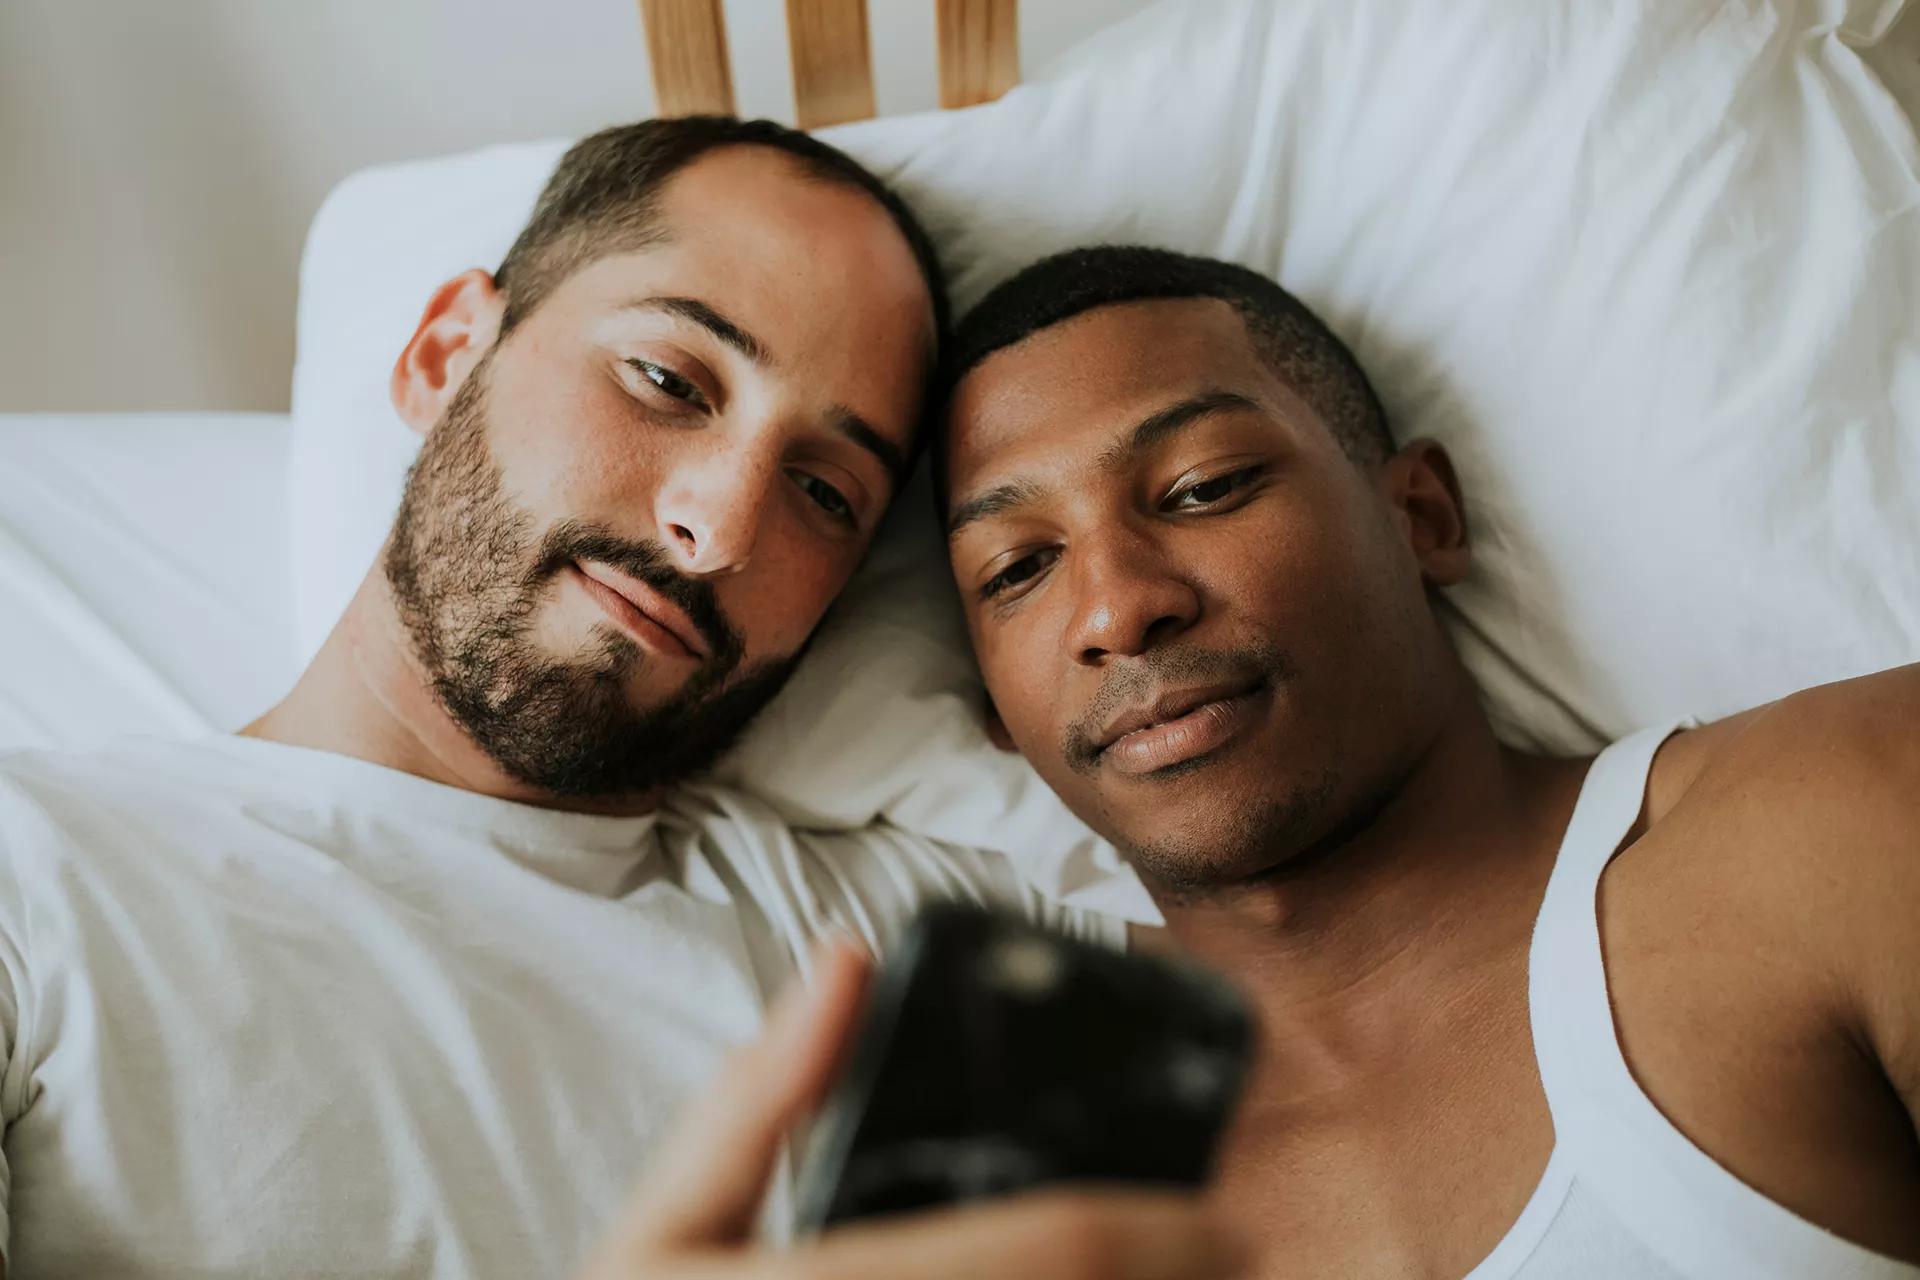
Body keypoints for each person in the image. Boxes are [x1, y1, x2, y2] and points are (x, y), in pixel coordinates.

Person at [0, 123, 1224, 1280]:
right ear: (444, 354)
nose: (719, 528)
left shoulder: (889, 946)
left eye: (822, 488)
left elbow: (1375, 1030)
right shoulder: (40, 872)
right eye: (666, 378)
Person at [932, 245, 1920, 1278]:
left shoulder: (1848, 816)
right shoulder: (995, 1205)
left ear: (1421, 519)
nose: (1116, 606)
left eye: (1202, 486)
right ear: (994, 706)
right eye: (1020, 568)